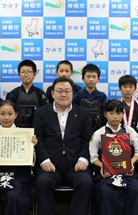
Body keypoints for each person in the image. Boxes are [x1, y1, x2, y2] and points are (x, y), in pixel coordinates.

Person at [34, 77, 94, 215]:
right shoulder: (41, 112)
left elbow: (87, 140)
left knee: (86, 182)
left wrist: (83, 159)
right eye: (59, 91)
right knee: (42, 183)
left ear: (73, 93)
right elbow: (38, 139)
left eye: (67, 91)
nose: (63, 94)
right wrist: (44, 161)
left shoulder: (83, 113)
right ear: (52, 93)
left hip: (75, 164)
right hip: (50, 164)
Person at [0, 100, 37, 215]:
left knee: (14, 196)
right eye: (2, 114)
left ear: (16, 115)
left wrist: (31, 147)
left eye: (10, 114)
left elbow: (31, 161)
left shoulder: (25, 135)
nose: (6, 118)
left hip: (18, 175)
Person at [89, 99, 138, 215]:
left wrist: (131, 163)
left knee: (135, 190)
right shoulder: (98, 133)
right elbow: (93, 157)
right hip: (106, 172)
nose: (115, 117)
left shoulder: (130, 131)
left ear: (123, 114)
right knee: (107, 192)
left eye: (118, 113)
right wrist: (104, 166)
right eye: (111, 113)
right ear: (105, 114)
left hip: (127, 171)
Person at [5, 59, 49, 128]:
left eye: (29, 72)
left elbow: (46, 113)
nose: (26, 75)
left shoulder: (40, 93)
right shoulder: (12, 93)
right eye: (23, 72)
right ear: (19, 75)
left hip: (36, 129)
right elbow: (8, 113)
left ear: (34, 74)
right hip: (17, 129)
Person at [73, 63, 108, 131]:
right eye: (88, 77)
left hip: (99, 130)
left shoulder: (102, 96)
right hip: (80, 129)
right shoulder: (77, 96)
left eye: (94, 77)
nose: (91, 79)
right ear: (83, 78)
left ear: (98, 79)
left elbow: (105, 115)